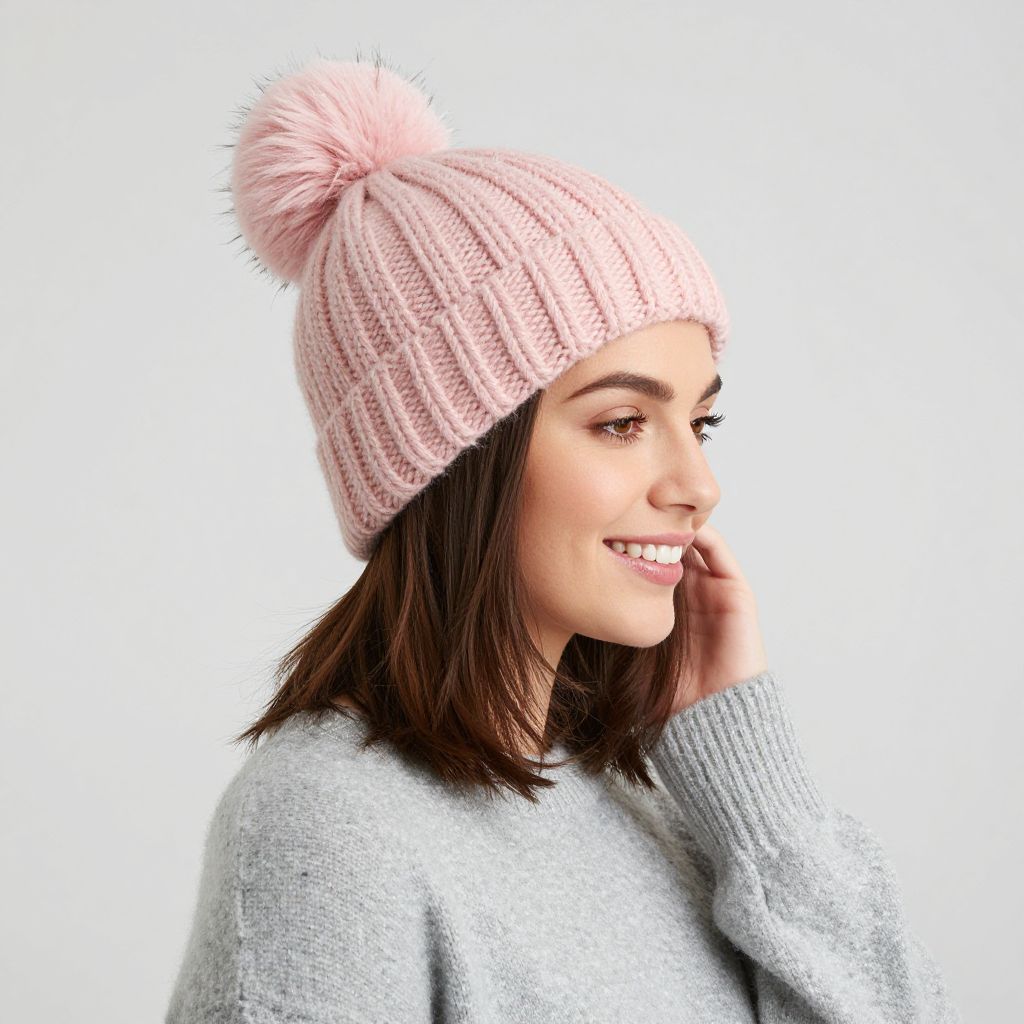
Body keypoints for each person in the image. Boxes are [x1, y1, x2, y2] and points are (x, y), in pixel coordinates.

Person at [165, 52, 962, 1022]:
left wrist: (757, 793)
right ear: (451, 461)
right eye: (622, 422)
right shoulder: (328, 828)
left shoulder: (651, 808)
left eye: (700, 422)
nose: (698, 486)